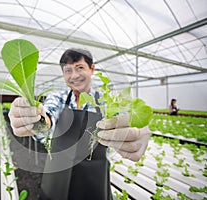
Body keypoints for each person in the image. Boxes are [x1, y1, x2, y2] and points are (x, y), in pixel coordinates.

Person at [8, 48, 151, 200]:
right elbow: (48, 118)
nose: (74, 75)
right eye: (68, 70)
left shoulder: (105, 102)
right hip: (57, 175)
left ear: (92, 69)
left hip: (94, 178)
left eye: (79, 68)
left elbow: (124, 121)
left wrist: (134, 133)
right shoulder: (57, 98)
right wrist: (36, 121)